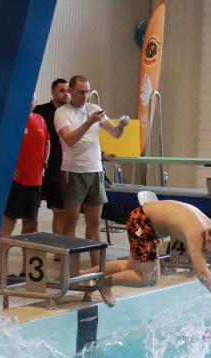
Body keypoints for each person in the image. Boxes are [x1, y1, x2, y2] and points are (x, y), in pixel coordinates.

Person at [85, 200, 211, 323]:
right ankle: (104, 283)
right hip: (141, 222)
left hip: (146, 220)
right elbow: (203, 274)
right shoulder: (196, 233)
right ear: (209, 239)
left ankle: (84, 275)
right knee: (149, 278)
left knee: (130, 267)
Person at [55, 75, 129, 268]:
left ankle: (96, 268)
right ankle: (70, 269)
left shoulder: (94, 109)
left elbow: (115, 134)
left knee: (94, 224)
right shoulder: (62, 113)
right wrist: (89, 122)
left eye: (87, 91)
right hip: (74, 171)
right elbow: (70, 139)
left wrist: (121, 125)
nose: (85, 96)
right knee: (70, 222)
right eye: (80, 92)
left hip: (95, 171)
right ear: (70, 92)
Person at [0, 93, 50, 252]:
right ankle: (4, 269)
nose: (29, 102)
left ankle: (26, 267)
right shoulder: (13, 122)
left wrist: (44, 163)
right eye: (25, 98)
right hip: (17, 182)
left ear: (36, 101)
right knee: (9, 222)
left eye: (31, 99)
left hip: (35, 181)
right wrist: (8, 168)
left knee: (31, 224)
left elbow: (47, 141)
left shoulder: (40, 120)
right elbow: (1, 146)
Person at [33, 79, 70, 235]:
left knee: (59, 210)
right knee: (31, 212)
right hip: (38, 169)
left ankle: (58, 249)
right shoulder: (40, 112)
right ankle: (32, 246)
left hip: (58, 169)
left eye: (68, 91)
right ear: (53, 92)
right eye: (62, 90)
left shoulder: (72, 113)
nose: (66, 94)